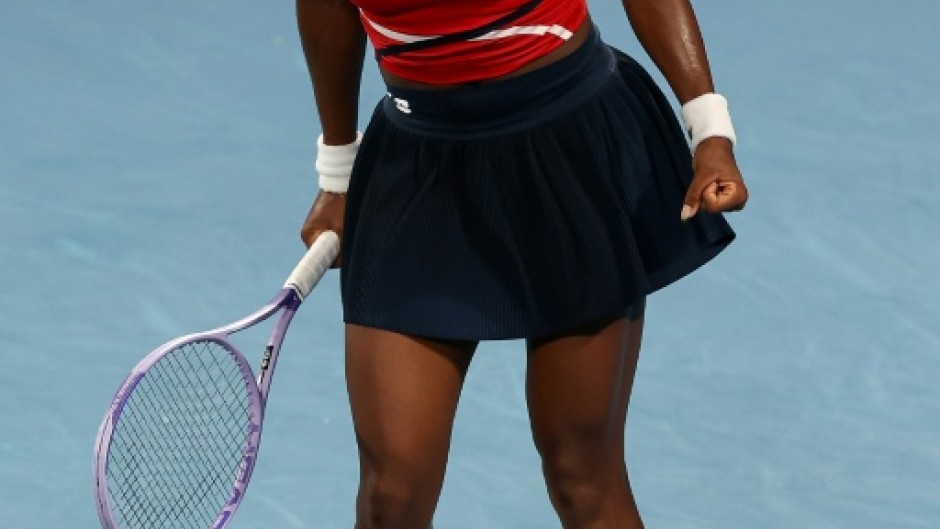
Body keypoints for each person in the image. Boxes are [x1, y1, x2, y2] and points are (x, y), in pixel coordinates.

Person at [296, 0, 748, 527]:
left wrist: (710, 131)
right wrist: (336, 172)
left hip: (564, 156)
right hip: (419, 169)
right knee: (390, 497)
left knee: (581, 475)